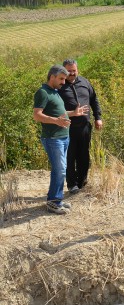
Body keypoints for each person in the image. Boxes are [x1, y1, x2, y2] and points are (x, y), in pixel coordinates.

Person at [32, 65, 88, 214]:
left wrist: (74, 113)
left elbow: (61, 113)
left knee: (59, 170)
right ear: (52, 77)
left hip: (63, 137)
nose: (64, 82)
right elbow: (37, 115)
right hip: (52, 138)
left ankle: (56, 199)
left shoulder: (54, 92)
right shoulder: (43, 92)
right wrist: (56, 121)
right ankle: (54, 202)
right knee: (61, 169)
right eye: (61, 79)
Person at [58, 59, 103, 194]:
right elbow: (53, 108)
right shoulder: (59, 86)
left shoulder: (84, 82)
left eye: (74, 70)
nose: (71, 73)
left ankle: (82, 183)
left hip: (84, 126)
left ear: (77, 70)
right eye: (69, 71)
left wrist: (98, 118)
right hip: (67, 128)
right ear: (63, 70)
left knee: (84, 156)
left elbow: (94, 100)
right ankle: (72, 185)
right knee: (69, 157)